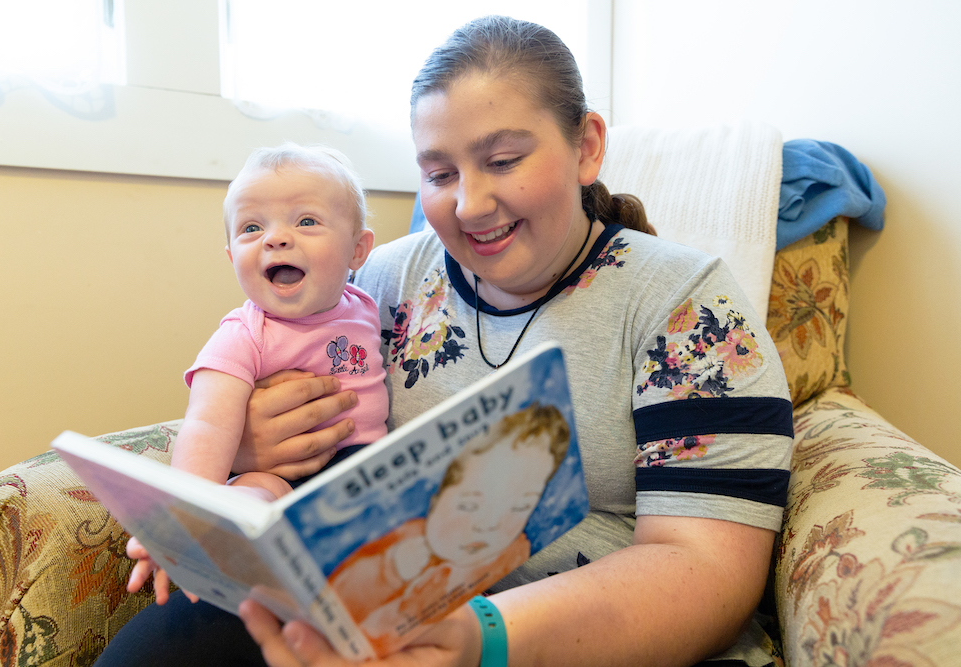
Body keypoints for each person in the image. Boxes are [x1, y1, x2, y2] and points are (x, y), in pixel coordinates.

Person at [96, 15, 792, 667]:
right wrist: (249, 444)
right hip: (352, 601)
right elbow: (250, 377)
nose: (468, 204)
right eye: (439, 174)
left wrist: (480, 635)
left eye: (504, 159)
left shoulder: (687, 306)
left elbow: (706, 567)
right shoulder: (380, 279)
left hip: (556, 635)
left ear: (586, 147)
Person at [125, 143, 390, 607]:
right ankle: (228, 554)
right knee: (250, 499)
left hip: (367, 477)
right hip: (280, 485)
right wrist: (186, 517)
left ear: (358, 249)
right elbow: (207, 424)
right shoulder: (244, 334)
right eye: (252, 227)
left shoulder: (365, 307)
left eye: (306, 221)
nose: (276, 238)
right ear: (232, 258)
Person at [329, 403, 570, 655]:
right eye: (469, 504)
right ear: (434, 499)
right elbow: (343, 598)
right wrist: (389, 571)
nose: (489, 524)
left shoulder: (513, 552)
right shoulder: (403, 540)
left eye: (520, 506)